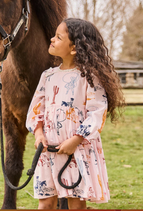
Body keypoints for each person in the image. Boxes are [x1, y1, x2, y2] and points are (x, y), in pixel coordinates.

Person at [26, 18, 125, 209]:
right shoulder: (47, 76)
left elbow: (97, 113)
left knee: (76, 204)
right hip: (48, 151)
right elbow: (36, 109)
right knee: (45, 203)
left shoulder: (88, 77)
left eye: (58, 37)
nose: (52, 39)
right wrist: (38, 134)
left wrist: (76, 140)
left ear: (73, 48)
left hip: (76, 151)